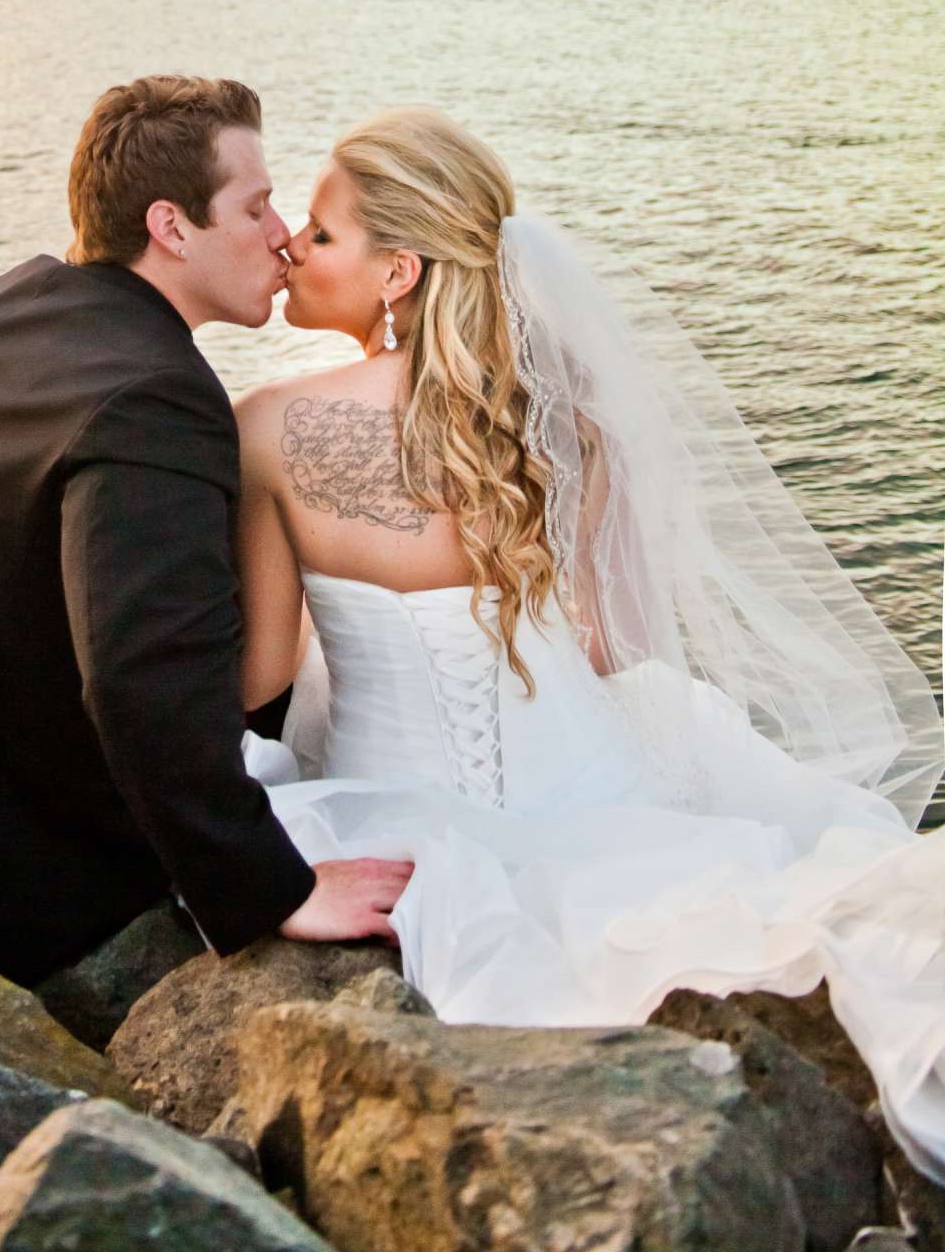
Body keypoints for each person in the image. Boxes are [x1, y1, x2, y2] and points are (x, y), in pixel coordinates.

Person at [234, 104, 945, 1182]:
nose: (290, 246)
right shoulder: (566, 415)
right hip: (597, 784)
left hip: (396, 798)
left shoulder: (265, 428)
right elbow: (605, 645)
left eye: (322, 236)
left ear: (398, 274)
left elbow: (264, 675)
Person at [0, 74, 410, 985]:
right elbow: (144, 681)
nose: (281, 233)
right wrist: (272, 891)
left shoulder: (11, 309)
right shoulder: (154, 399)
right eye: (255, 208)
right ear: (172, 227)